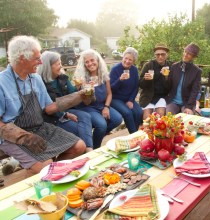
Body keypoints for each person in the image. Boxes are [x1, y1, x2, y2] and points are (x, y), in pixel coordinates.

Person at [0, 36, 86, 174]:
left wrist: (78, 96)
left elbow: (49, 108)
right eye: (36, 58)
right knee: (45, 166)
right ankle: (42, 179)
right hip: (11, 135)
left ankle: (50, 176)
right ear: (22, 58)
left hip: (38, 127)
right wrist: (23, 137)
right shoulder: (2, 83)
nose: (40, 62)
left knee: (79, 146)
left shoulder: (35, 78)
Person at [37, 51, 94, 152]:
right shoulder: (41, 83)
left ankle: (89, 149)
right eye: (58, 64)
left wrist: (81, 89)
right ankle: (84, 152)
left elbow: (72, 93)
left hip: (66, 111)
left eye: (60, 63)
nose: (61, 66)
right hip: (52, 117)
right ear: (48, 67)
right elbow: (48, 108)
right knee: (78, 130)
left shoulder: (62, 78)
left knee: (86, 116)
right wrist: (65, 114)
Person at [74, 49, 122, 148]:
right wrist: (83, 88)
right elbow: (80, 98)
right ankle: (95, 148)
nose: (90, 63)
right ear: (84, 65)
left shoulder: (104, 75)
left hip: (101, 105)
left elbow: (109, 94)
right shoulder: (81, 78)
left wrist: (106, 107)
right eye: (86, 62)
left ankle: (96, 137)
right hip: (88, 107)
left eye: (92, 60)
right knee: (102, 125)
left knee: (117, 119)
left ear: (98, 61)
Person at [110, 47, 143, 134]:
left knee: (139, 112)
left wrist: (131, 100)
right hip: (115, 98)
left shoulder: (134, 70)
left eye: (130, 60)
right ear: (123, 57)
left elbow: (136, 86)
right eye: (126, 58)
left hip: (128, 98)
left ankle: (134, 133)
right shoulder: (115, 69)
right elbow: (111, 89)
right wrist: (120, 80)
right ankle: (134, 134)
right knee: (128, 113)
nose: (127, 61)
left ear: (134, 61)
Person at [165, 43, 202, 114]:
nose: (185, 55)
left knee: (188, 119)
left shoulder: (197, 71)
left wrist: (189, 106)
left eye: (189, 54)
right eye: (185, 52)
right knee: (168, 118)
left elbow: (195, 91)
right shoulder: (174, 67)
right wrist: (166, 77)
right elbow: (168, 86)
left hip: (187, 103)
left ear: (193, 57)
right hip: (173, 102)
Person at [139, 43, 173, 119]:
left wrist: (166, 78)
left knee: (160, 116)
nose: (160, 56)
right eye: (158, 54)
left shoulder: (170, 66)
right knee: (147, 118)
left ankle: (158, 131)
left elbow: (171, 86)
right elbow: (141, 85)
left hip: (163, 97)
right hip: (148, 97)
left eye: (162, 54)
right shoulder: (148, 65)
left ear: (166, 55)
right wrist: (145, 79)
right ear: (155, 55)